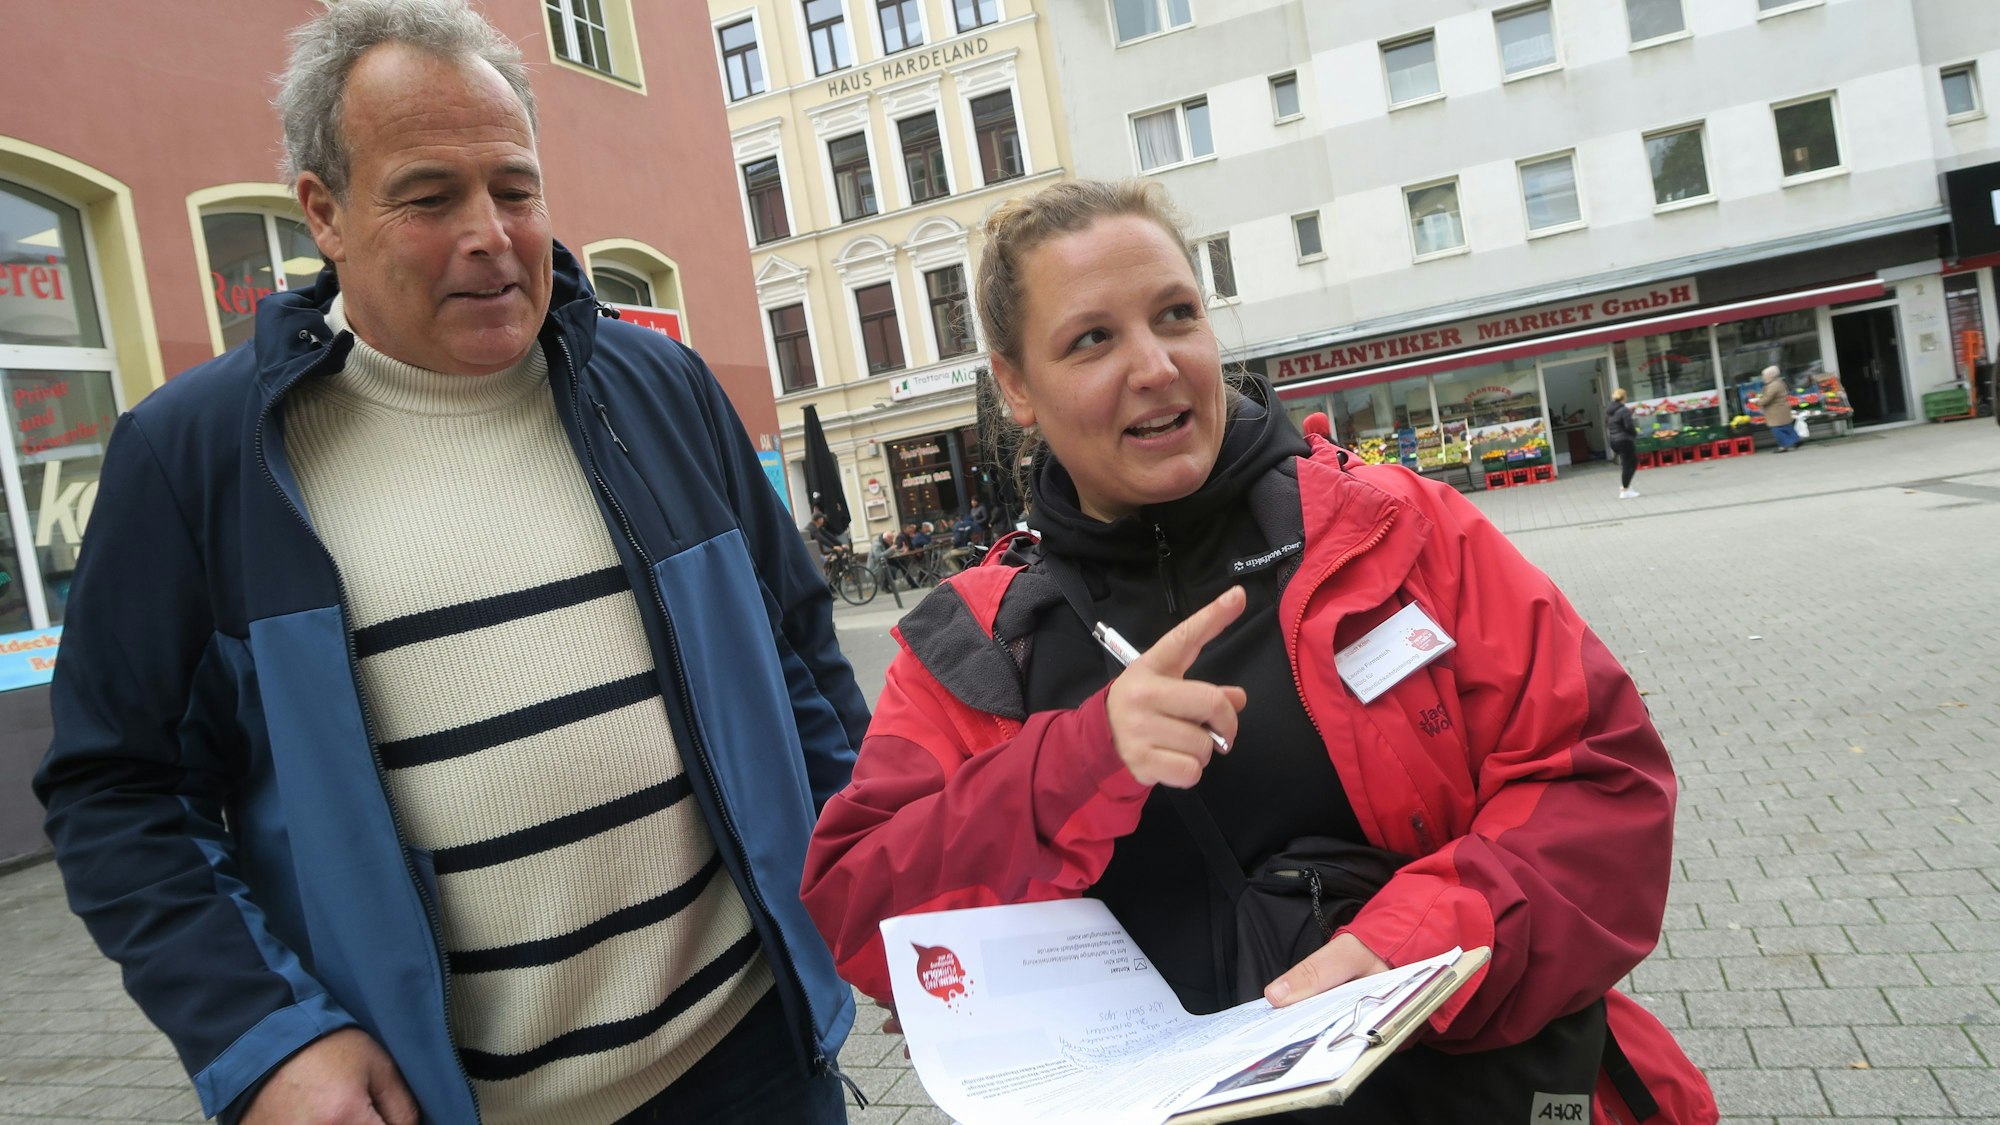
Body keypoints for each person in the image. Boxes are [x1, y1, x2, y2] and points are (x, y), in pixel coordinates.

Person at [33, 4, 866, 1123]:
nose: (491, 233)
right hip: (453, 1104)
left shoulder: (658, 391)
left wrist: (866, 869)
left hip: (754, 1063)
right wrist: (263, 1037)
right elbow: (116, 793)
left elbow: (796, 655)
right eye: (430, 198)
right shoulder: (199, 460)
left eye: (515, 190)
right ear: (323, 212)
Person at [801, 180, 1717, 1124]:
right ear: (1017, 386)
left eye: (1177, 315)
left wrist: (1406, 947)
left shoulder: (1391, 530)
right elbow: (865, 918)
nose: (1156, 365)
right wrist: (1077, 761)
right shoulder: (986, 640)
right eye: (1092, 339)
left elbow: (1604, 782)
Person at [1605, 386, 1640, 498]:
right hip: (1624, 440)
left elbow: (1612, 423)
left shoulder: (1610, 411)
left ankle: (1626, 487)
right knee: (1630, 463)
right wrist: (1634, 434)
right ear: (1624, 397)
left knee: (1628, 463)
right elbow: (1628, 425)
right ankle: (1625, 489)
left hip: (1614, 440)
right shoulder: (1623, 410)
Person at [1760, 365, 1800, 452]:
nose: (1763, 377)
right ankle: (1796, 440)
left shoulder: (1773, 385)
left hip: (1776, 411)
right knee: (1786, 426)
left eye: (1764, 375)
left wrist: (1758, 402)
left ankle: (1783, 446)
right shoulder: (1778, 382)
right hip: (1781, 409)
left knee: (1777, 429)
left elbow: (1767, 398)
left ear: (1770, 375)